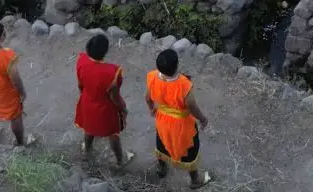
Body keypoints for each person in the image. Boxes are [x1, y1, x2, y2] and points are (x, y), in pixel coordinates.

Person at [145, 49, 212, 187]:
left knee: (162, 143)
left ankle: (162, 168)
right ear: (176, 66)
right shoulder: (184, 85)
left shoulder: (152, 77)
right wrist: (203, 119)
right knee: (190, 151)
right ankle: (195, 181)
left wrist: (152, 108)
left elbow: (147, 98)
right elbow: (192, 107)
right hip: (182, 125)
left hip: (162, 120)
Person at [75, 33, 133, 168]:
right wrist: (123, 108)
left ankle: (87, 152)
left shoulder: (81, 61)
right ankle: (119, 160)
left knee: (88, 129)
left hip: (87, 102)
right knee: (113, 133)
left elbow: (80, 84)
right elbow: (114, 97)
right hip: (105, 109)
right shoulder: (112, 72)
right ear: (105, 52)